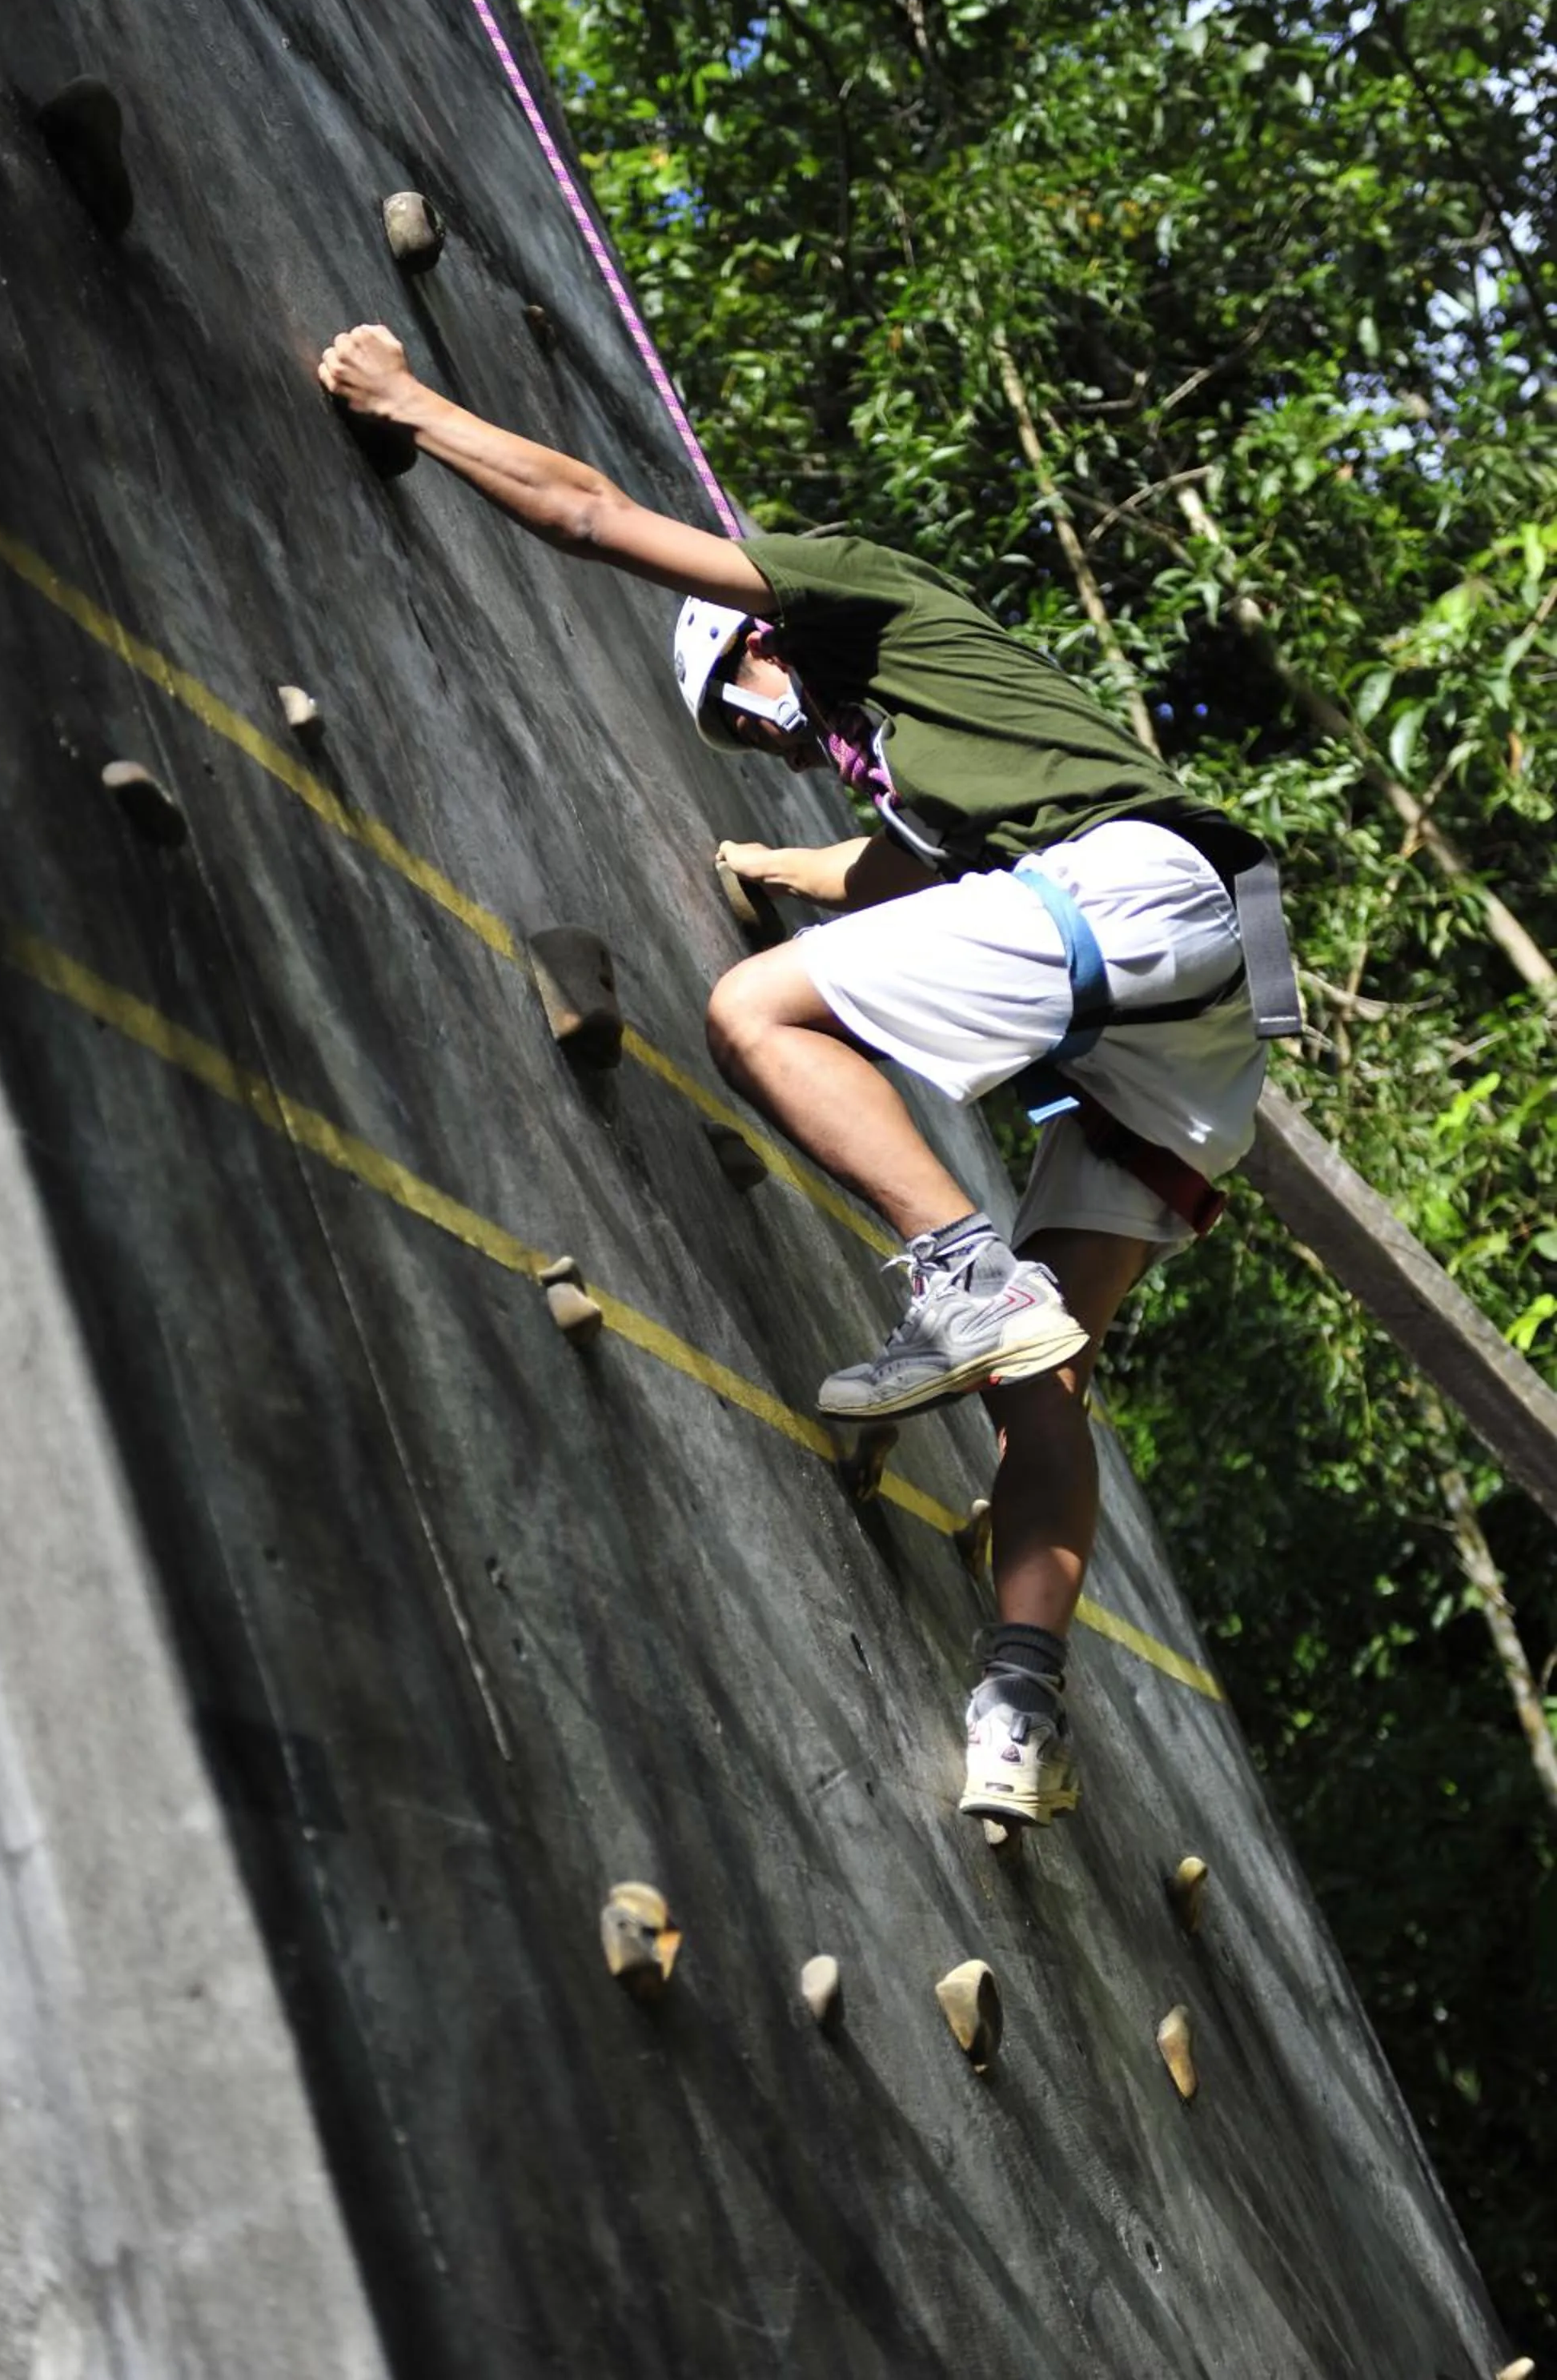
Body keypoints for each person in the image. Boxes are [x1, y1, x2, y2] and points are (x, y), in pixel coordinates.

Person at [316, 323, 1294, 1831]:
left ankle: (962, 1270)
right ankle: (1021, 1704)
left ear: (759, 644)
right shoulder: (930, 758)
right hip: (1198, 1018)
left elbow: (591, 513)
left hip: (1144, 896)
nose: (758, 741)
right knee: (1046, 1385)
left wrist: (407, 404)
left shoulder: (853, 595)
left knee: (753, 1013)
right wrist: (772, 858)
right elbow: (889, 869)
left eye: (738, 712)